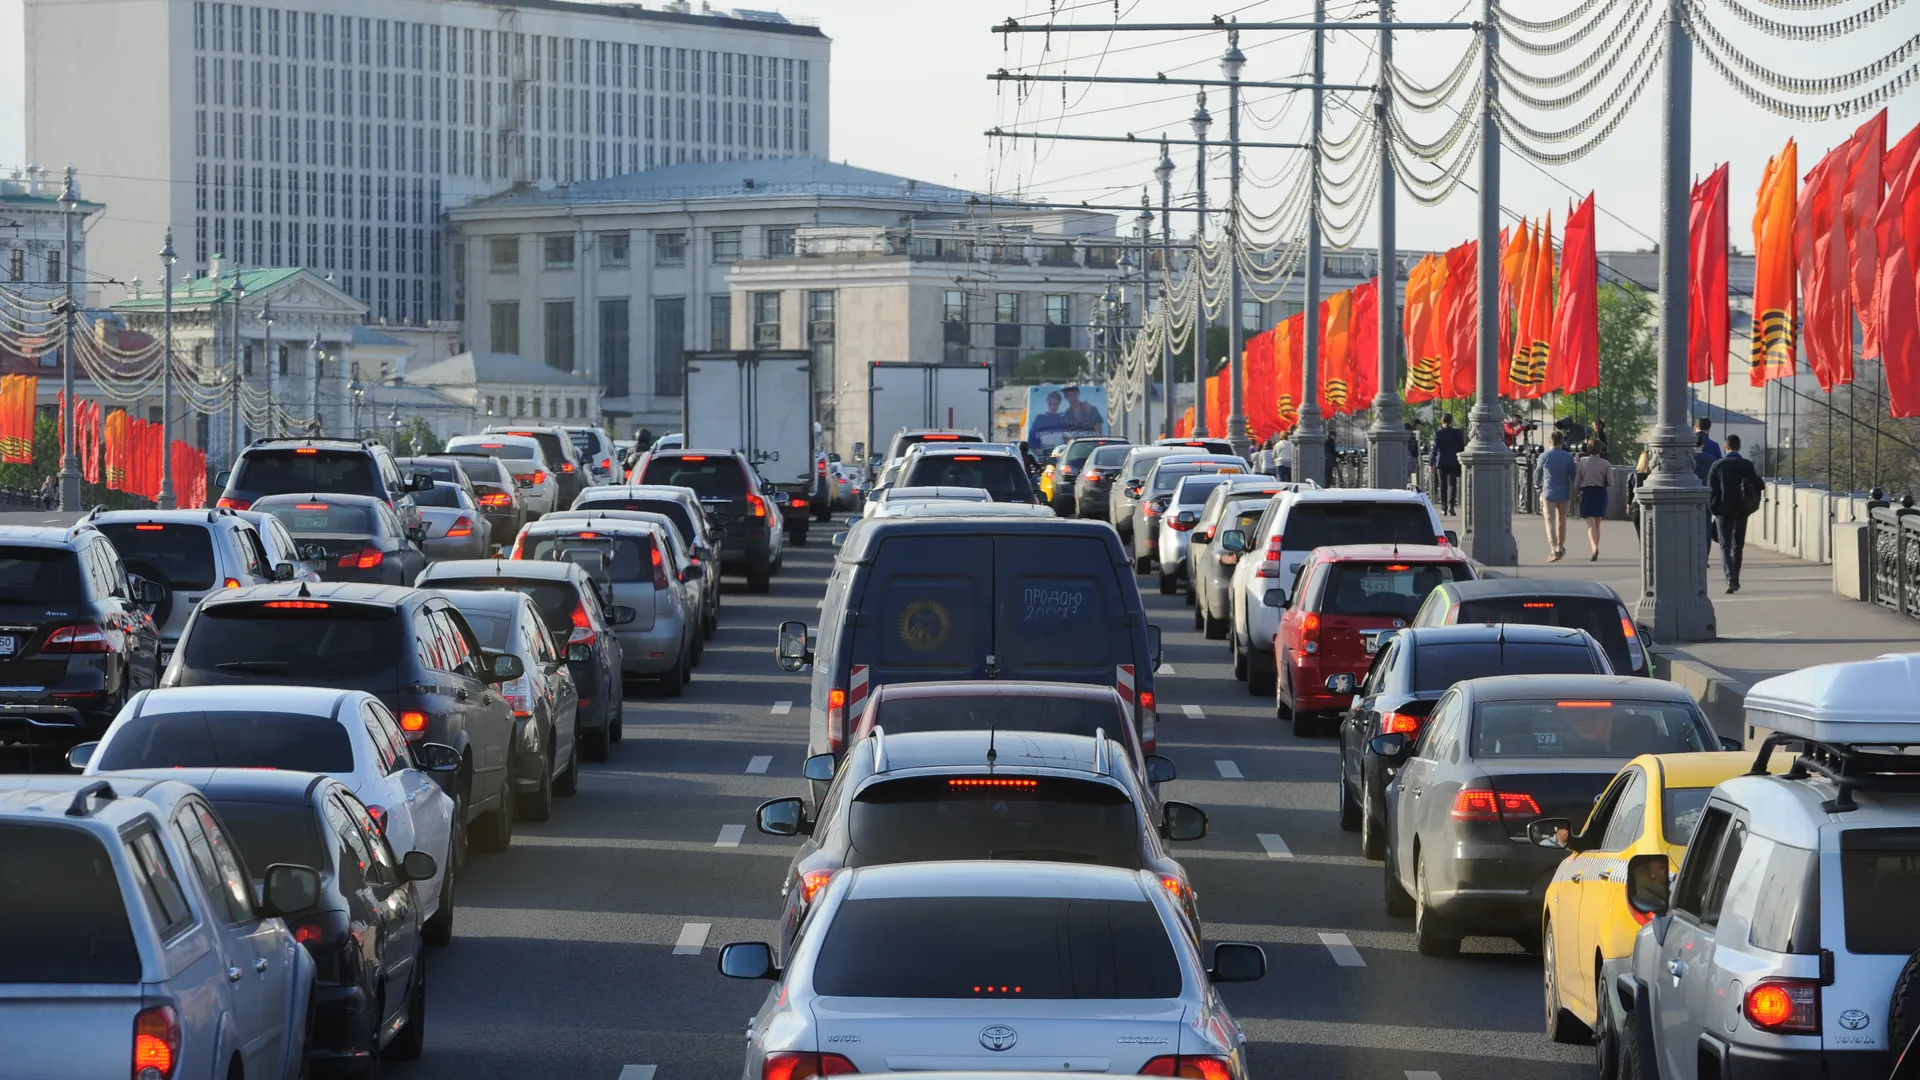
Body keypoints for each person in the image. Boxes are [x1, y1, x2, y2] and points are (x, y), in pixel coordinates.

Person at [1708, 433, 1763, 593]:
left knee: (1724, 545)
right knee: (1737, 545)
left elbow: (1711, 489)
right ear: (1739, 447)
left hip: (1723, 511)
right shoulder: (1746, 465)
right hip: (1742, 509)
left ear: (1726, 447)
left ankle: (1730, 577)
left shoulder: (1717, 465)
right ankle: (1736, 578)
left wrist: (1714, 507)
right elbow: (1758, 484)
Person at [1534, 430, 1576, 561]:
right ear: (1562, 441)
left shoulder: (1544, 456)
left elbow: (1537, 473)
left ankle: (1553, 549)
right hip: (1564, 492)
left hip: (1548, 492)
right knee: (1562, 521)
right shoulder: (1568, 457)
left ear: (1550, 441)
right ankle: (1560, 547)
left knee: (1550, 521)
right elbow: (1573, 474)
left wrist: (1537, 486)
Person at [1574, 438, 1612, 561]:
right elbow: (1610, 482)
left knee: (1590, 525)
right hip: (1600, 493)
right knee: (1597, 524)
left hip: (1587, 492)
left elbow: (1577, 481)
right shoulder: (1606, 464)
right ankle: (1595, 547)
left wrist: (1576, 494)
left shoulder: (1582, 462)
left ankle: (1594, 547)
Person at [1429, 413, 1465, 514]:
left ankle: (1443, 507)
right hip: (1453, 461)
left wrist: (1430, 463)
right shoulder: (1457, 433)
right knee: (1452, 484)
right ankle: (1451, 506)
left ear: (1442, 421)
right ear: (1451, 421)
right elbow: (1461, 447)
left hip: (1441, 462)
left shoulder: (1438, 433)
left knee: (1442, 485)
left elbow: (1434, 450)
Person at [1628, 448, 1651, 539]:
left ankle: (1643, 553)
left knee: (1641, 537)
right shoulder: (1654, 476)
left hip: (1636, 507)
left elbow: (1629, 491)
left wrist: (1628, 504)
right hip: (1651, 508)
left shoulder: (1633, 475)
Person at [1692, 416, 1722, 484]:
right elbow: (1719, 467)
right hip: (1708, 484)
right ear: (1709, 429)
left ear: (1695, 427)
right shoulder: (1714, 445)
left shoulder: (1685, 444)